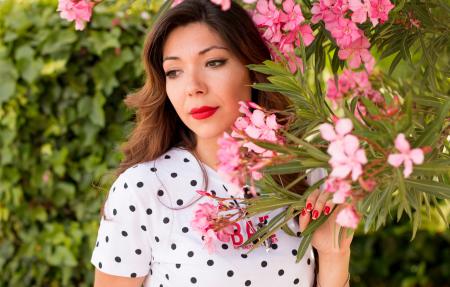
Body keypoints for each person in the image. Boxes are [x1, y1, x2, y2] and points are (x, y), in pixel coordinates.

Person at [91, 0, 353, 286]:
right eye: (174, 72)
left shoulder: (306, 173)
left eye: (213, 62)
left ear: (252, 68)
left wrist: (334, 254)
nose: (193, 86)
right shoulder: (143, 189)